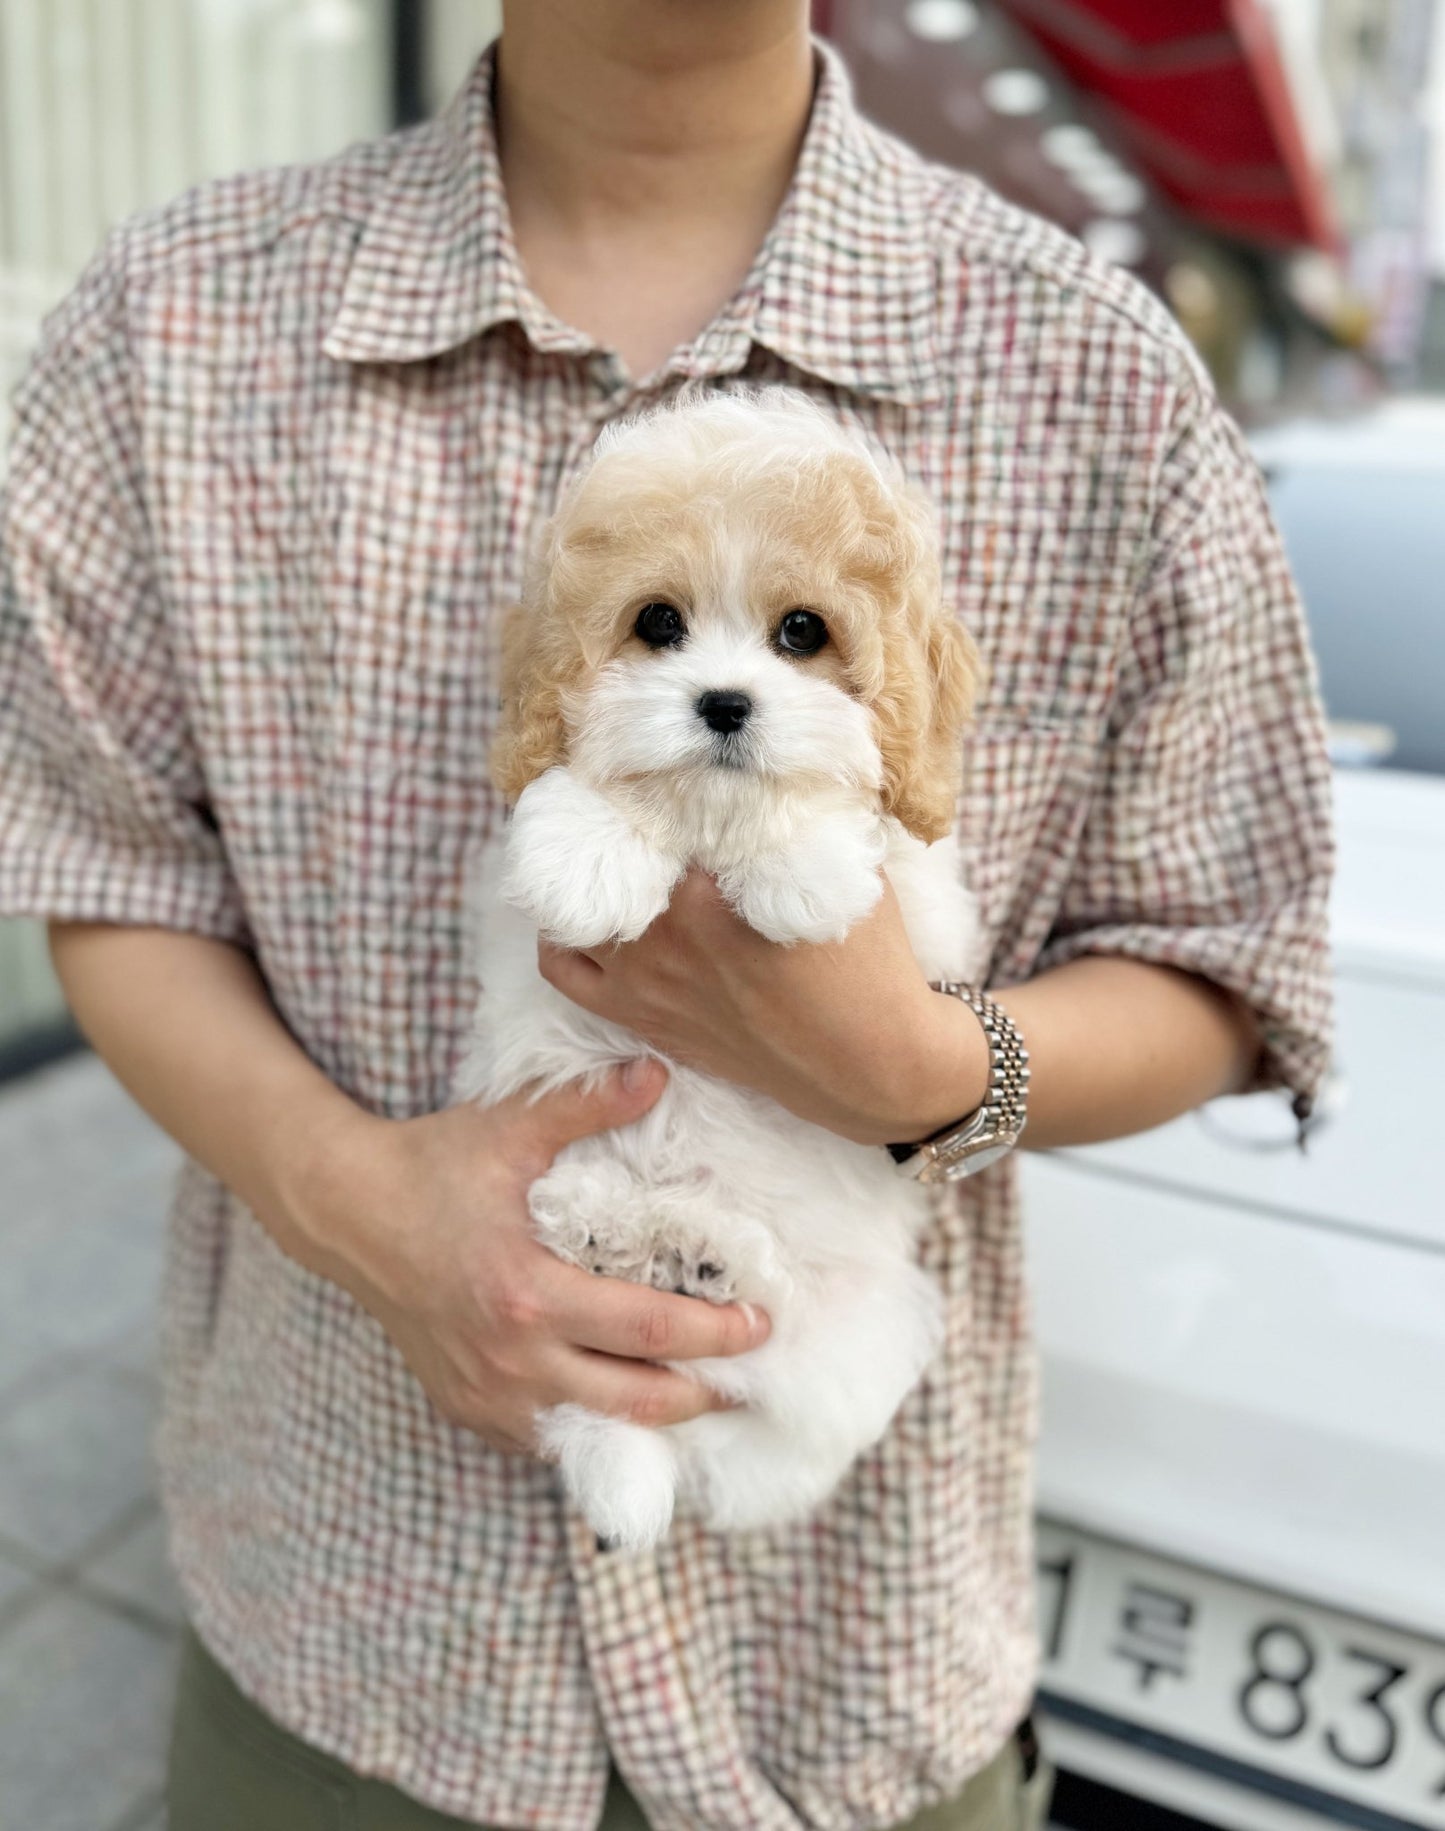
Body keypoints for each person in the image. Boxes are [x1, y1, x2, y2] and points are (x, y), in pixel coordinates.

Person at [0, 2, 1333, 1827]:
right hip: (347, 1633)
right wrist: (357, 1205)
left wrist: (934, 1068)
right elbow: (104, 872)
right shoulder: (169, 327)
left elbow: (1223, 958)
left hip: (852, 1667)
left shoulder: (1088, 366)